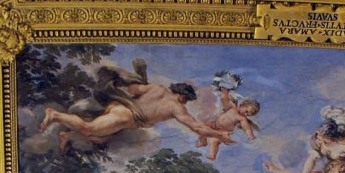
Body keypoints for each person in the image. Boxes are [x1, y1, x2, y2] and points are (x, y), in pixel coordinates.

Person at [40, 60, 234, 151]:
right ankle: (55, 115)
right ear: (183, 96)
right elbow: (197, 127)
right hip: (125, 116)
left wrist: (142, 86)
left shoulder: (157, 88)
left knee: (99, 138)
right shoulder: (177, 108)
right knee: (89, 128)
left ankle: (67, 135)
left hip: (120, 106)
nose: (186, 102)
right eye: (187, 99)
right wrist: (219, 135)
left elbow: (133, 89)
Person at [196, 87, 259, 160]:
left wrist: (250, 135)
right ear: (243, 105)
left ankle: (212, 155)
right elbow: (225, 100)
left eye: (248, 115)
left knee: (214, 141)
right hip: (215, 124)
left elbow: (247, 128)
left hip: (223, 131)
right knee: (203, 127)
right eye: (246, 111)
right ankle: (203, 142)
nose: (246, 114)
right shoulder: (232, 107)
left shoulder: (241, 118)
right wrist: (225, 92)